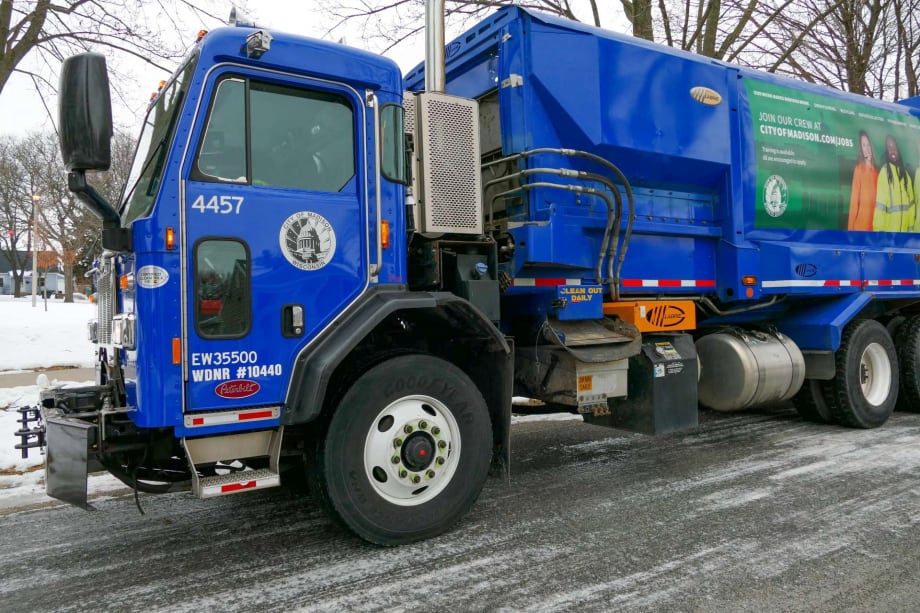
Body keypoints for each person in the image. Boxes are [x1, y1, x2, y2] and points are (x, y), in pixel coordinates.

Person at [873, 135, 915, 232]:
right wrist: (880, 236)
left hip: (904, 239)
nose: (892, 150)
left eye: (894, 147)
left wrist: (910, 233)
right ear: (887, 152)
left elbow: (911, 208)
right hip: (889, 239)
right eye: (889, 147)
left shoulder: (906, 176)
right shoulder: (884, 173)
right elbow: (880, 209)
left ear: (898, 150)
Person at [847, 131, 878, 231]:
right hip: (860, 229)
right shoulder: (859, 169)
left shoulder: (877, 173)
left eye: (868, 144)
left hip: (874, 229)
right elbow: (854, 203)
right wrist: (850, 231)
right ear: (861, 149)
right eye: (863, 145)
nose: (867, 148)